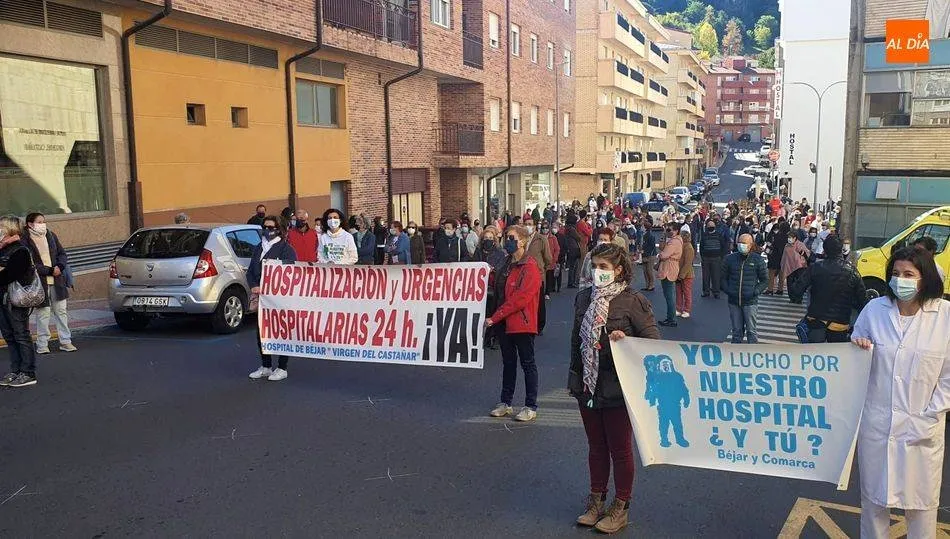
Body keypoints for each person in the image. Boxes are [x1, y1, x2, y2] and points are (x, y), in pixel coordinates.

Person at [851, 246, 950, 538]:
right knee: (873, 504)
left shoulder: (944, 316)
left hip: (923, 427)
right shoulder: (874, 310)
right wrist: (857, 345)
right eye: (895, 274)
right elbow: (855, 351)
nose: (900, 280)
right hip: (878, 425)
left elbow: (948, 377)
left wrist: (930, 414)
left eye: (909, 274)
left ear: (925, 278)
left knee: (921, 508)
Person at [569, 243, 661, 534]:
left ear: (619, 270)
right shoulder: (584, 298)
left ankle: (621, 507)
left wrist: (626, 340)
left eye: (604, 267)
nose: (597, 272)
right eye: (594, 266)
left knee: (620, 450)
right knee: (596, 447)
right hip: (588, 384)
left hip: (619, 387)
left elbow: (652, 343)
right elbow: (576, 342)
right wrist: (576, 379)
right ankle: (596, 501)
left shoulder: (633, 301)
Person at [487, 226, 543, 422]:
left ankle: (530, 405)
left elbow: (520, 298)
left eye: (511, 238)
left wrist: (495, 317)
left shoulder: (530, 267)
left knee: (528, 364)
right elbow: (499, 288)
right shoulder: (506, 263)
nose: (507, 241)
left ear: (522, 241)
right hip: (504, 322)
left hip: (521, 323)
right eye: (506, 238)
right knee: (508, 363)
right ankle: (506, 402)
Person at [789, 236, 867, 343]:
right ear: (841, 250)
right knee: (836, 357)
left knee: (814, 356)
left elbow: (796, 291)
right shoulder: (852, 271)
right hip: (840, 324)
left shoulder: (815, 267)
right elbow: (863, 301)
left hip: (816, 321)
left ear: (824, 250)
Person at [247, 216, 297, 381]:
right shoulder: (258, 248)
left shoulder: (286, 248)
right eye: (265, 227)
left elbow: (289, 274)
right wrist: (254, 285)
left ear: (279, 229)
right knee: (261, 332)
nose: (268, 231)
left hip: (279, 298)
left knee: (282, 331)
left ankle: (282, 367)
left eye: (271, 227)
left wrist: (270, 288)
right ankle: (266, 365)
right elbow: (250, 271)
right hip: (261, 297)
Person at [22, 213, 76, 354]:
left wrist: (59, 267)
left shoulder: (50, 235)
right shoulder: (25, 239)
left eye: (43, 221)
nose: (43, 224)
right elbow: (29, 262)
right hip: (40, 282)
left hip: (57, 281)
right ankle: (42, 344)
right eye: (39, 222)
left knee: (61, 312)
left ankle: (65, 341)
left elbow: (62, 254)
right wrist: (49, 270)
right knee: (43, 314)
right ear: (30, 224)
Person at [0, 216, 39, 387]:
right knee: (9, 335)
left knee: (21, 335)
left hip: (15, 300)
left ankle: (27, 372)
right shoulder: (2, 249)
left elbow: (10, 275)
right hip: (2, 298)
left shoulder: (20, 250)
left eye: (1, 227)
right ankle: (15, 370)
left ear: (9, 229)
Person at [721, 234, 768, 344]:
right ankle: (735, 354)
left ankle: (752, 355)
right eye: (740, 242)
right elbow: (723, 278)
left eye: (744, 243)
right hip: (734, 301)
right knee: (737, 331)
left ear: (751, 245)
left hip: (750, 302)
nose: (741, 245)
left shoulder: (757, 260)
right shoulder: (729, 259)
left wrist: (755, 292)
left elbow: (765, 280)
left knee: (751, 331)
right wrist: (728, 290)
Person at [474, 227, 507, 349]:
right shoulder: (478, 253)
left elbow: (502, 268)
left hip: (493, 287)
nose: (488, 240)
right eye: (486, 238)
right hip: (479, 288)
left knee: (492, 312)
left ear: (494, 240)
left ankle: (492, 337)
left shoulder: (500, 253)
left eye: (490, 238)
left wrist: (494, 270)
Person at [523, 217, 552, 333]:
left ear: (534, 226)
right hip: (524, 275)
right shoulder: (521, 239)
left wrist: (540, 267)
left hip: (538, 275)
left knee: (539, 302)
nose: (527, 226)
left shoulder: (541, 239)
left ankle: (539, 325)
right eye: (525, 224)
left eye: (529, 224)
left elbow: (548, 258)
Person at [657, 224, 683, 327]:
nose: (668, 231)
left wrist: (660, 255)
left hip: (668, 269)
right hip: (671, 267)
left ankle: (671, 319)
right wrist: (663, 235)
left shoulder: (674, 242)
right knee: (669, 295)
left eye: (669, 230)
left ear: (676, 231)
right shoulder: (676, 240)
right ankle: (670, 318)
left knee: (669, 296)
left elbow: (663, 254)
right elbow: (662, 247)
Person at [781, 230, 811, 304]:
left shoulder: (800, 244)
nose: (789, 239)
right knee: (790, 283)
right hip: (789, 267)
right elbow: (785, 257)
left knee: (799, 283)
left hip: (800, 267)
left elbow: (807, 254)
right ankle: (792, 298)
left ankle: (798, 298)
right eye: (788, 237)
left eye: (791, 237)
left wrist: (802, 253)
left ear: (795, 238)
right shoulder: (787, 246)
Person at [700, 219, 725, 299]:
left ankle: (716, 292)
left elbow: (722, 246)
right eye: (709, 226)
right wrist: (702, 257)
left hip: (716, 258)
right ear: (707, 227)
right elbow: (701, 246)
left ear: (714, 227)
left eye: (712, 226)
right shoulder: (704, 235)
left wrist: (720, 256)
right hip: (706, 258)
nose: (710, 227)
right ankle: (706, 291)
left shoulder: (719, 235)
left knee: (716, 276)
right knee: (705, 276)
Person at [765, 216, 789, 295]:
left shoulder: (777, 236)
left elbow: (772, 246)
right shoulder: (789, 237)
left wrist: (768, 253)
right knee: (781, 275)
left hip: (774, 257)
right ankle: (780, 289)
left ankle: (770, 289)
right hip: (784, 258)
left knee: (771, 274)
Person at [676, 230, 695, 319]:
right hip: (679, 273)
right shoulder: (682, 246)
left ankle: (687, 310)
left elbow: (688, 263)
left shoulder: (689, 247)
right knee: (678, 292)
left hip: (687, 275)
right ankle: (679, 309)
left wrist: (681, 275)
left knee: (687, 293)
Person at [563, 215, 585, 288]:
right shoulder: (572, 229)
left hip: (570, 248)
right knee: (574, 266)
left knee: (571, 267)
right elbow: (578, 237)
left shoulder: (566, 228)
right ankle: (571, 282)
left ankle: (571, 282)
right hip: (574, 248)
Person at [541, 222, 560, 299]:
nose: (544, 230)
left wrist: (554, 259)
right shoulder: (539, 237)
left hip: (550, 261)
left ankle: (547, 292)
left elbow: (557, 249)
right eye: (543, 228)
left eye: (546, 228)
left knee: (549, 277)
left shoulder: (553, 238)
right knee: (541, 278)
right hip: (541, 261)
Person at [641, 216, 658, 292]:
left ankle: (652, 285)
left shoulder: (650, 235)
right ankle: (647, 285)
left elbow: (651, 246)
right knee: (645, 270)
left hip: (650, 255)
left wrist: (646, 253)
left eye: (643, 226)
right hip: (645, 254)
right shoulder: (645, 234)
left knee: (649, 270)